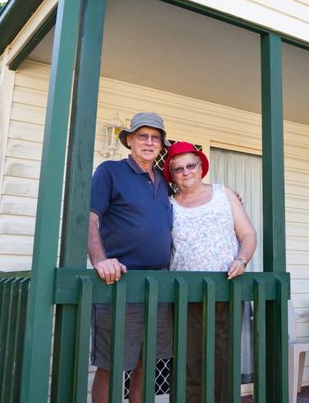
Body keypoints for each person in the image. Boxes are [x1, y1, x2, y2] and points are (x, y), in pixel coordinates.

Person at [88, 112, 174, 403]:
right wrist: (100, 259)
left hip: (160, 284)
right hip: (120, 282)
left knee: (146, 363)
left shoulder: (164, 181)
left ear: (161, 145)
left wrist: (229, 197)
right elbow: (89, 217)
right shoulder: (109, 171)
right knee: (112, 365)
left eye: (155, 137)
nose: (149, 142)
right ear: (130, 141)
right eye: (142, 136)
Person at [163, 141, 258, 402]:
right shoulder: (167, 204)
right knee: (189, 360)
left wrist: (242, 259)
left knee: (224, 360)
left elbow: (248, 234)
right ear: (171, 174)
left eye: (190, 165)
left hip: (226, 288)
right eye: (178, 168)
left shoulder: (224, 193)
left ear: (200, 166)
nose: (186, 172)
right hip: (185, 293)